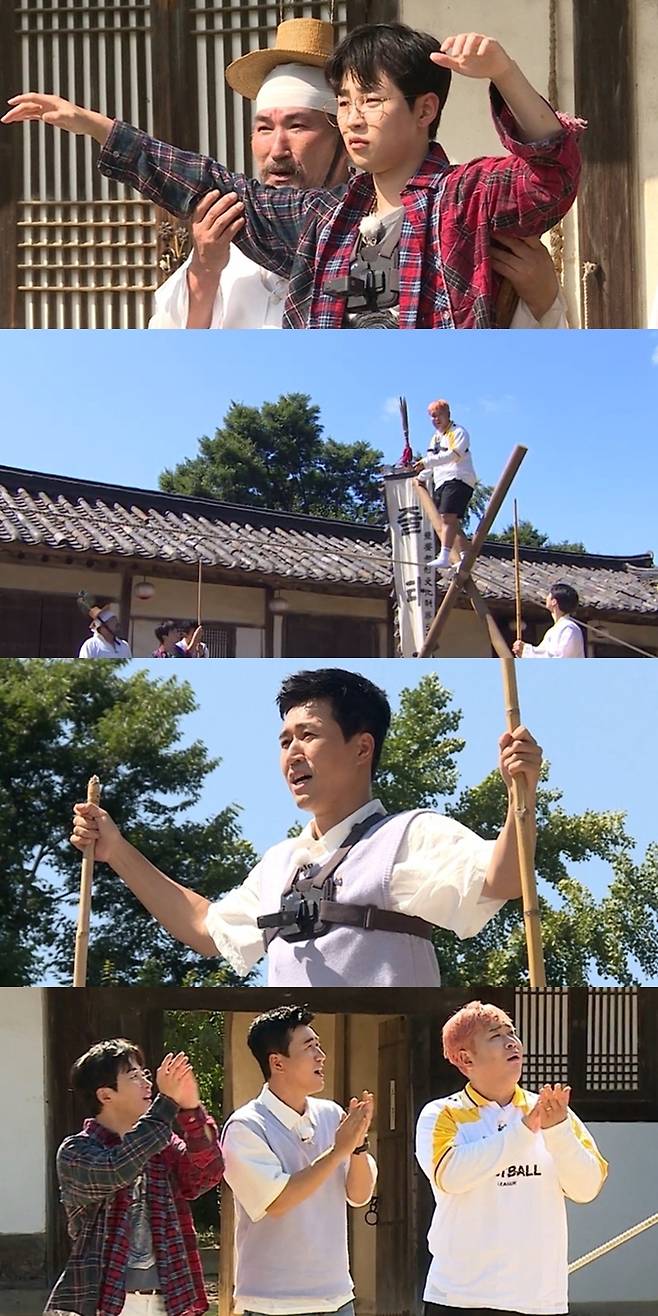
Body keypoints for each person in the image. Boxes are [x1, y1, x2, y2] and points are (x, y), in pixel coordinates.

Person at [3, 24, 584, 328]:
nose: (355, 119)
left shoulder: (467, 199)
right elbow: (205, 180)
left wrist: (503, 72)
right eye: (347, 102)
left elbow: (551, 174)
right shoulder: (321, 220)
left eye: (372, 101)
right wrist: (97, 127)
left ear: (425, 109)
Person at [70, 667, 542, 988]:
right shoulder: (280, 863)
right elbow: (203, 927)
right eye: (284, 741)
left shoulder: (409, 835)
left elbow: (503, 880)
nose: (292, 753)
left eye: (308, 736)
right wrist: (116, 850)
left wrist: (520, 795)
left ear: (362, 749)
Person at [150, 20, 348, 330]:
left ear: (345, 140)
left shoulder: (369, 232)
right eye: (264, 129)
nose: (277, 149)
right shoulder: (233, 229)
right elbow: (172, 348)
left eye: (298, 126)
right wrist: (205, 268)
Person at [415, 1000, 607, 1316]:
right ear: (465, 1058)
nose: (511, 1042)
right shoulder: (441, 1113)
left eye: (512, 1033)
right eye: (495, 1035)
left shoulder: (553, 1112)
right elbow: (450, 1176)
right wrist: (522, 1132)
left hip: (539, 1299)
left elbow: (586, 1188)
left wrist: (557, 1131)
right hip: (460, 1297)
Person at [45, 1039, 224, 1316]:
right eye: (134, 1076)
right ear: (105, 1095)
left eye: (145, 1074)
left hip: (169, 1299)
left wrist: (191, 1109)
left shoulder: (162, 1143)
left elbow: (206, 1175)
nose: (147, 1083)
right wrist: (166, 1103)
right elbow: (118, 1168)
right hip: (105, 1303)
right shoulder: (76, 1151)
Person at [221, 1004, 376, 1316]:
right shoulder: (245, 1127)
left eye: (319, 1044)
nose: (321, 1055)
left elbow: (359, 1196)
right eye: (309, 1047)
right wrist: (338, 1151)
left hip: (337, 1298)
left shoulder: (332, 1114)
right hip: (272, 1304)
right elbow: (277, 1201)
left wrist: (357, 1146)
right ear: (277, 1063)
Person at [415, 400, 476, 569]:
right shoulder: (434, 439)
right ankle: (465, 555)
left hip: (458, 478)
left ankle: (444, 555)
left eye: (438, 415)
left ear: (447, 414)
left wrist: (426, 463)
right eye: (432, 416)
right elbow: (432, 463)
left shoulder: (458, 432)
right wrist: (421, 475)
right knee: (451, 522)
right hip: (441, 481)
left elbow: (453, 455)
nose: (435, 419)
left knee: (447, 518)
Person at [513, 583, 585, 659]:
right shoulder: (553, 630)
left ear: (554, 601)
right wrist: (522, 651)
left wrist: (526, 651)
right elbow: (542, 654)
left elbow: (560, 658)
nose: (546, 598)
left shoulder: (569, 628)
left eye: (548, 595)